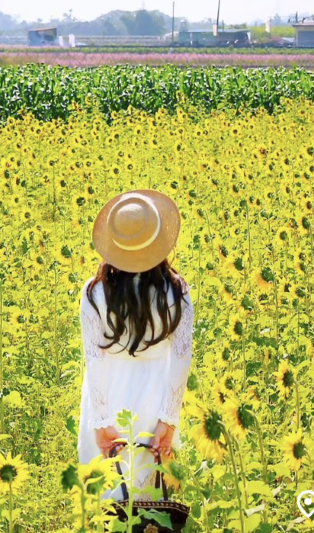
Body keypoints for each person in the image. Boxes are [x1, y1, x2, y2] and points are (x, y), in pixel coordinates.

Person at [77, 189, 194, 502]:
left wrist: (101, 423)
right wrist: (168, 419)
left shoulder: (94, 293)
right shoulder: (177, 291)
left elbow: (94, 360)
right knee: (152, 501)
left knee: (107, 501)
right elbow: (182, 358)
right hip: (154, 397)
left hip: (109, 393)